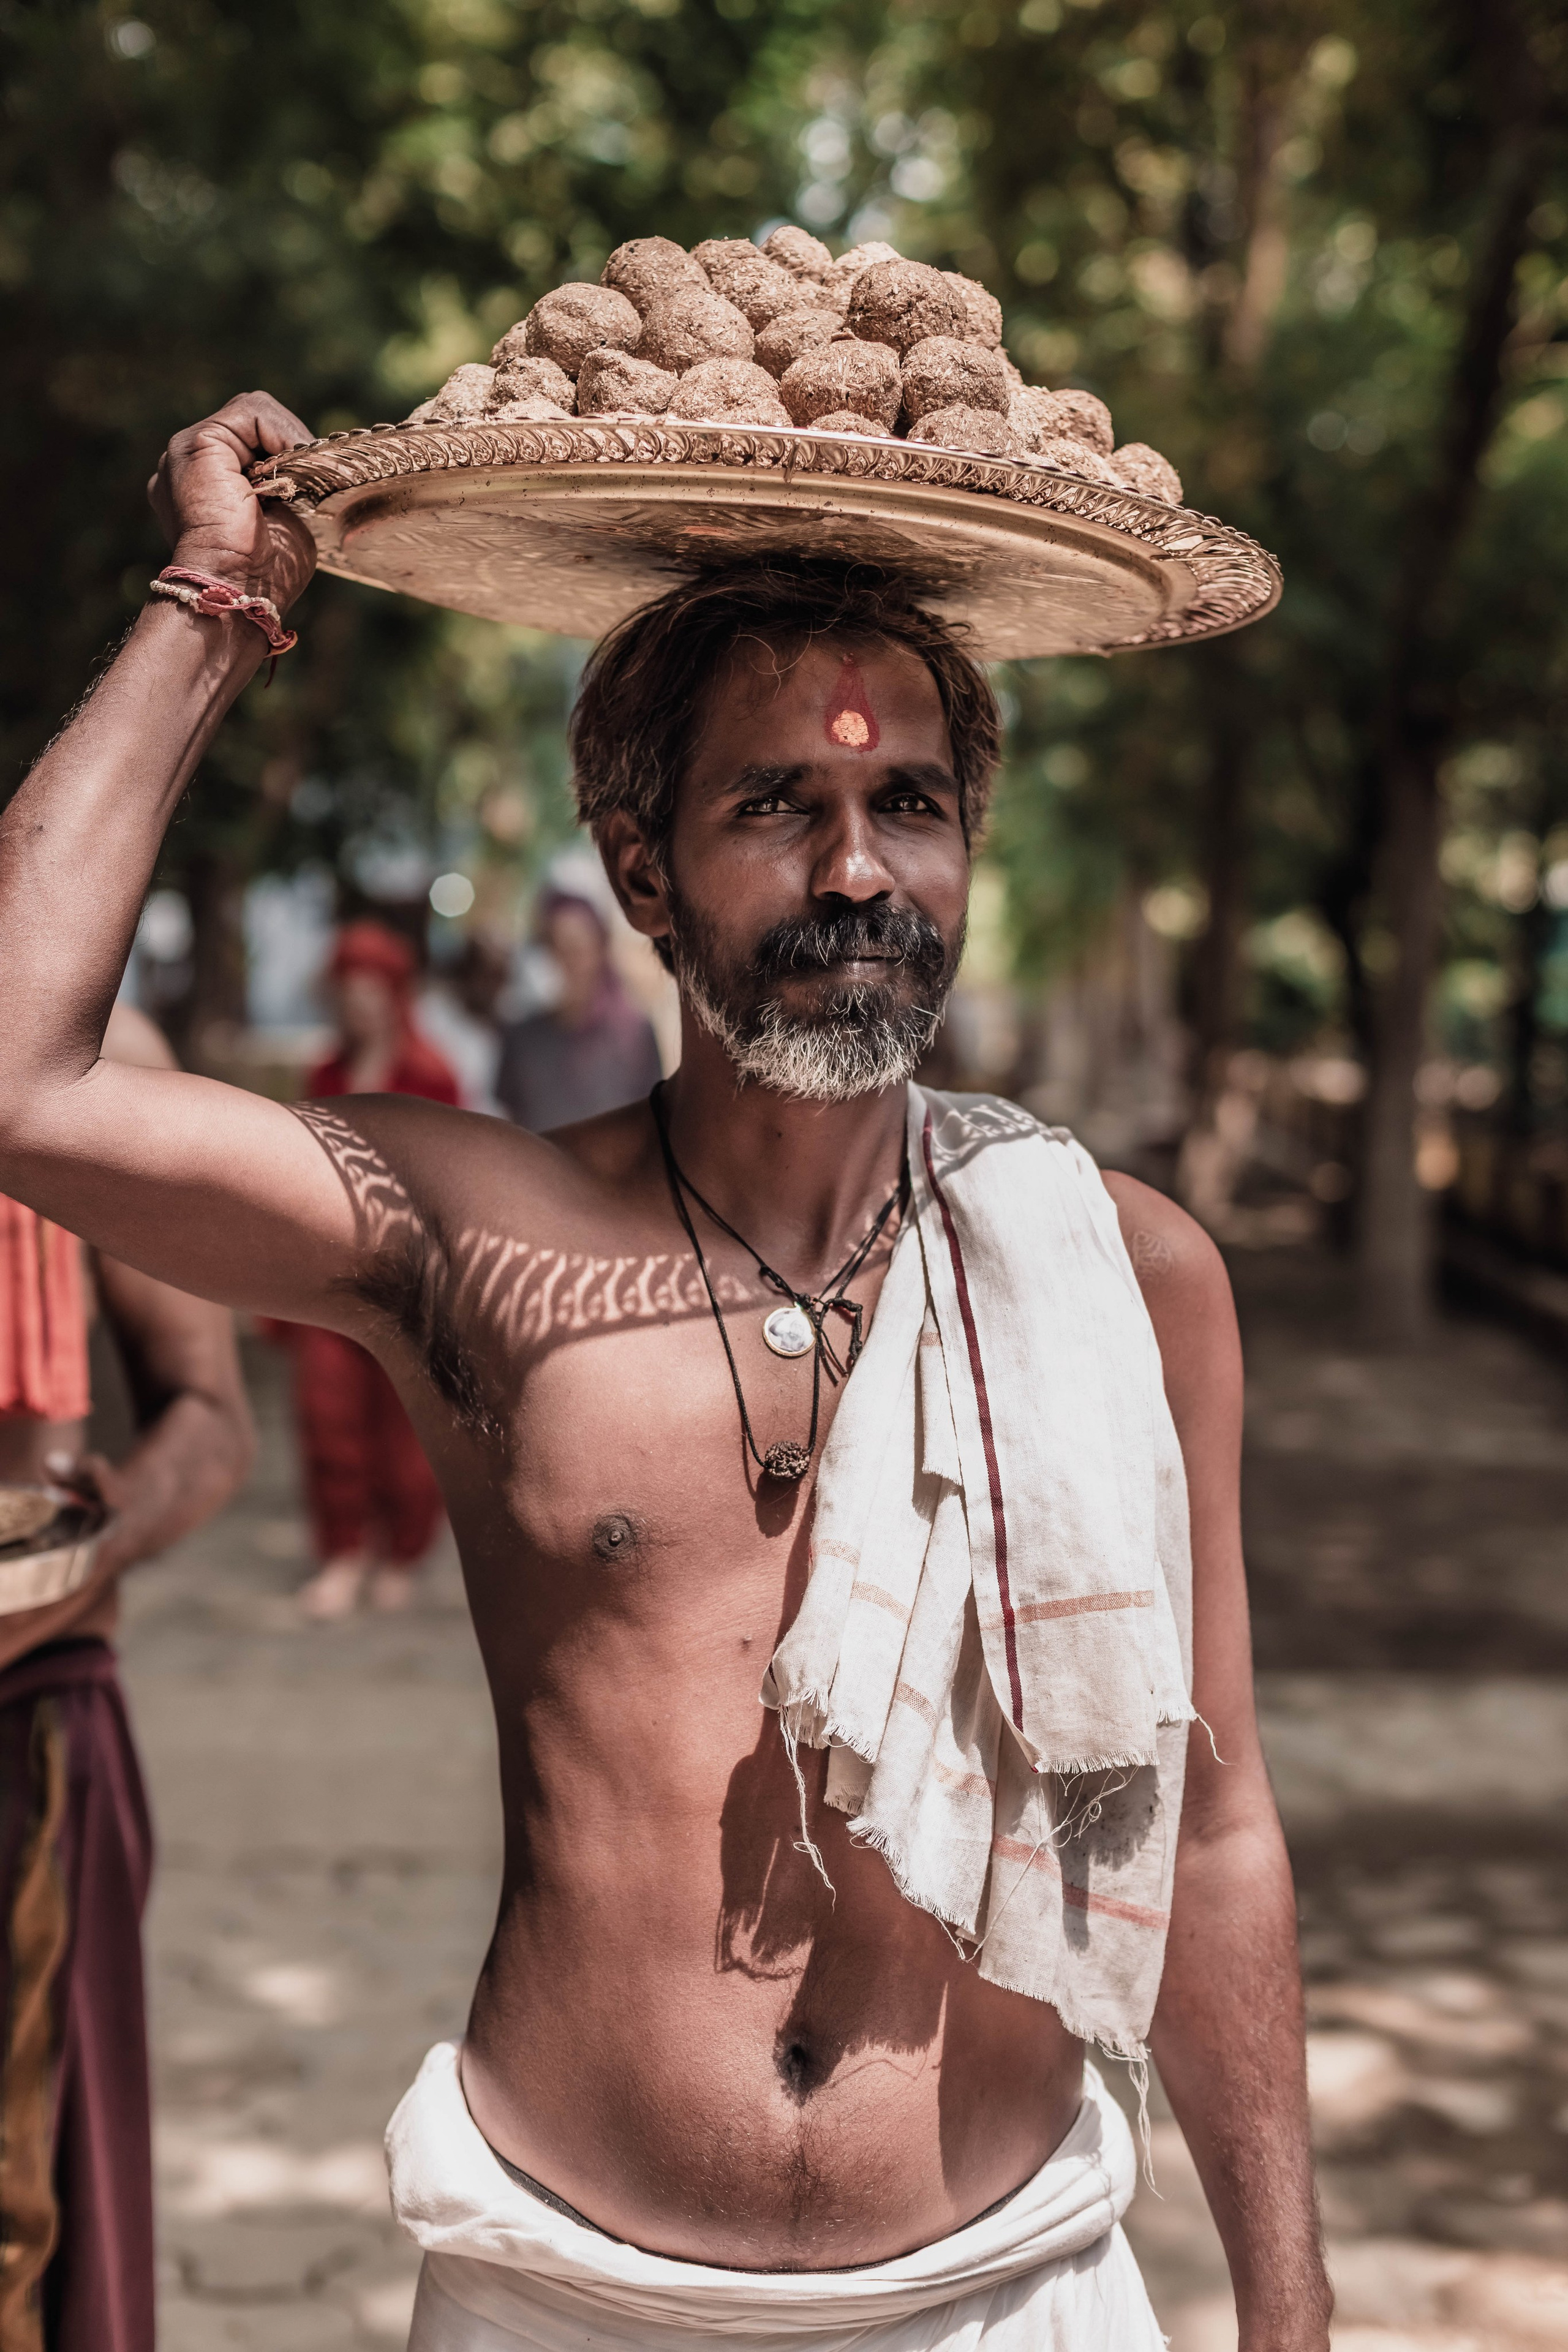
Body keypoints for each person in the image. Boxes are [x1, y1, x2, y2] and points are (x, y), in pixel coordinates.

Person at [0, 393, 1331, 2352]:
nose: (859, 869)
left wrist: (1290, 2320)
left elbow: (1210, 1828)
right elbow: (24, 1084)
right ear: (639, 865)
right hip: (562, 2289)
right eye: (776, 804)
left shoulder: (1119, 1270)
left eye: (912, 805)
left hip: (1014, 2285)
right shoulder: (476, 1230)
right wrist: (218, 601)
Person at [0, 1000, 254, 2352]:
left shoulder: (87, 1053)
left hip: (28, 1716)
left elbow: (209, 1426)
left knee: (26, 2219)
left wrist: (78, 1546)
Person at [290, 921, 459, 1619]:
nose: (359, 1005)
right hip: (330, 1270)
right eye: (348, 991)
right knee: (326, 1415)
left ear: (395, 994)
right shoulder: (324, 1073)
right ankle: (343, 1551)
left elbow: (454, 1183)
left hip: (408, 1276)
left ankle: (404, 1551)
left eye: (372, 990)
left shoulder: (431, 1074)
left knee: (407, 1422)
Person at [494, 889, 662, 1131]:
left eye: (576, 949)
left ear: (599, 950)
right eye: (554, 947)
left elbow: (652, 1124)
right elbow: (509, 1124)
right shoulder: (521, 1039)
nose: (566, 963)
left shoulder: (635, 1034)